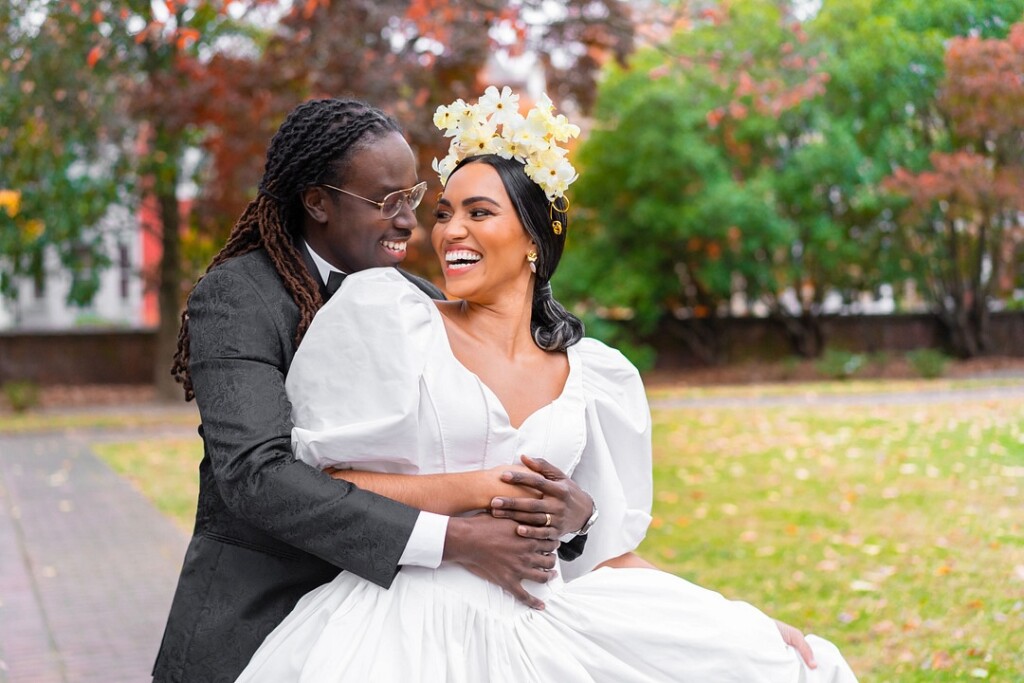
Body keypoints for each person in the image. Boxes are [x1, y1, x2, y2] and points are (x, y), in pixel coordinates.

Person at [234, 88, 858, 681]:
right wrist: (485, 489)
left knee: (797, 666)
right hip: (404, 626)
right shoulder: (386, 319)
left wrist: (736, 621)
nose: (450, 231)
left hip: (538, 620)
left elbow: (605, 556)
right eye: (446, 213)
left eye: (480, 212)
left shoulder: (597, 376)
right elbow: (332, 487)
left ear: (535, 237)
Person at [154, 97, 595, 683]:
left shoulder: (413, 299)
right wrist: (456, 539)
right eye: (386, 201)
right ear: (317, 202)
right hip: (264, 613)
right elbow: (257, 475)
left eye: (412, 198)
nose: (410, 221)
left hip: (404, 634)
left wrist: (573, 518)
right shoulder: (238, 297)